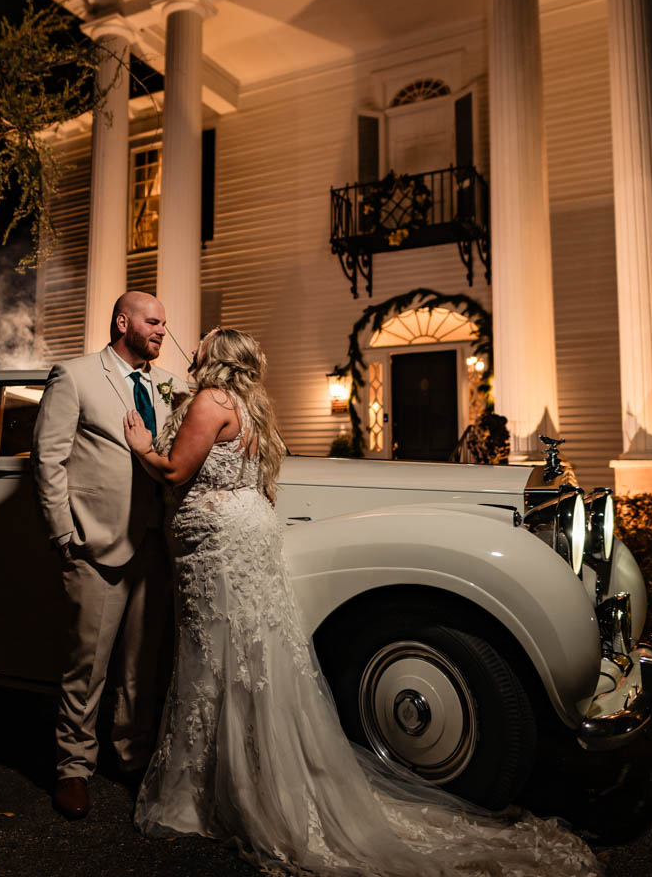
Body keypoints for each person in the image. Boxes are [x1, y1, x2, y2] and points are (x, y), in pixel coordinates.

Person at [122, 328, 601, 877]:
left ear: (215, 357)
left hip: (217, 542)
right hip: (247, 532)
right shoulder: (252, 408)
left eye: (202, 345)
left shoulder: (210, 401)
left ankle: (217, 788)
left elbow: (176, 470)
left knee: (214, 661)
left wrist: (142, 444)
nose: (193, 349)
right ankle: (249, 775)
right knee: (250, 659)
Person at [31, 290, 189, 820]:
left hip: (154, 544)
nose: (162, 331)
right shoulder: (74, 376)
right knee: (87, 664)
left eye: (165, 324)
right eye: (153, 322)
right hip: (94, 544)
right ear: (123, 321)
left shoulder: (166, 384)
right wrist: (62, 534)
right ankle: (73, 767)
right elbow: (48, 460)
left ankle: (131, 754)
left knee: (143, 664)